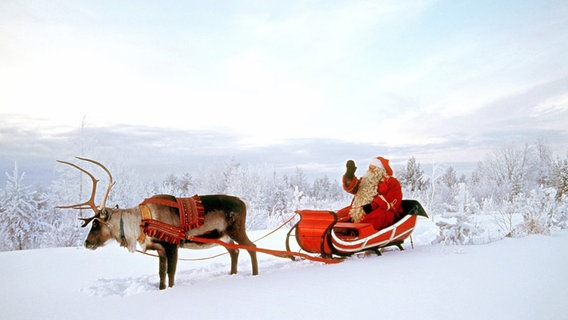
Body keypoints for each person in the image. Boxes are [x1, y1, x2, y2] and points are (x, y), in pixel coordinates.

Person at [336, 156, 403, 231]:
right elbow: (353, 188)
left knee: (377, 217)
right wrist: (349, 175)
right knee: (339, 215)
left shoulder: (391, 182)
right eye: (369, 168)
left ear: (380, 170)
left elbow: (393, 199)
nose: (369, 171)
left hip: (381, 210)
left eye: (372, 169)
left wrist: (372, 206)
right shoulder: (366, 180)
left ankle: (356, 231)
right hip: (361, 209)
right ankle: (340, 230)